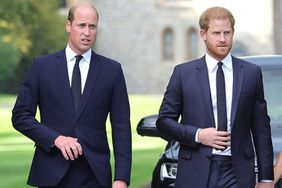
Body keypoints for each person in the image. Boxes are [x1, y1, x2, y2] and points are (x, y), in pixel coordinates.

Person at [12, 2, 131, 188]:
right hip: (51, 172)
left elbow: (122, 128)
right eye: (81, 25)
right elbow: (20, 116)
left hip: (94, 175)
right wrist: (55, 139)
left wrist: (121, 178)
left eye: (92, 26)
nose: (87, 32)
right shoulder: (42, 67)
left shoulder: (112, 71)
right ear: (69, 26)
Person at [156, 6, 274, 188]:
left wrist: (266, 179)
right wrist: (198, 135)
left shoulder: (251, 73)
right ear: (203, 34)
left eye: (227, 33)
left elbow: (261, 128)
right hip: (195, 170)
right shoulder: (183, 74)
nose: (222, 39)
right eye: (216, 33)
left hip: (237, 172)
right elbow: (164, 122)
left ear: (233, 33)